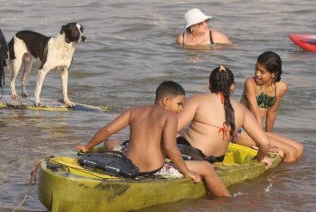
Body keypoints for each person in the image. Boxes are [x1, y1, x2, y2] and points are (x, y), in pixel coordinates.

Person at [77, 81, 230, 197]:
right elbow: (170, 147)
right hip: (154, 170)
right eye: (179, 104)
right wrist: (186, 171)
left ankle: (114, 149)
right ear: (165, 101)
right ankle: (226, 199)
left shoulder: (134, 110)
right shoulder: (169, 116)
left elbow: (107, 130)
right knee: (206, 167)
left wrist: (88, 147)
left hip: (129, 166)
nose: (181, 109)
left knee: (110, 141)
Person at [176, 66, 273, 168]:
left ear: (209, 84)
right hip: (216, 160)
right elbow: (265, 143)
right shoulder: (243, 111)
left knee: (174, 132)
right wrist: (261, 157)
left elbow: (173, 128)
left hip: (191, 154)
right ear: (232, 87)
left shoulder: (197, 99)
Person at [236, 51, 304, 163]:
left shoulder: (281, 87)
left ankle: (278, 176)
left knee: (299, 149)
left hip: (258, 131)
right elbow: (256, 114)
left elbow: (272, 114)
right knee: (290, 152)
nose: (257, 74)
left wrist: (270, 136)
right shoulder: (250, 83)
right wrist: (264, 143)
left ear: (273, 74)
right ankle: (276, 179)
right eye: (256, 69)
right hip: (241, 132)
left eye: (262, 72)